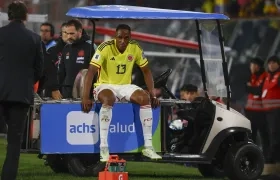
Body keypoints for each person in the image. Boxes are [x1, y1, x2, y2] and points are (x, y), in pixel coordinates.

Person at [82, 24, 161, 162]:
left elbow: (147, 71)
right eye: (120, 37)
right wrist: (85, 97)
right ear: (115, 37)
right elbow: (90, 72)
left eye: (126, 38)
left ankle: (148, 146)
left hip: (125, 85)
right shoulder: (105, 47)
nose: (123, 41)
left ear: (130, 38)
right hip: (104, 85)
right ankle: (104, 147)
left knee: (145, 98)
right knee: (109, 98)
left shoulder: (135, 48)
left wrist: (153, 95)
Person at [0, 1, 43, 180]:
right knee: (14, 141)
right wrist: (25, 82)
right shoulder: (34, 38)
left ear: (9, 15)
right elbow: (39, 69)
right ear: (26, 16)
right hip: (21, 94)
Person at [58, 19, 96, 98]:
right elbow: (61, 72)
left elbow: (96, 72)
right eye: (67, 33)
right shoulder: (66, 48)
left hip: (84, 91)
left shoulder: (91, 47)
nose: (69, 36)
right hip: (66, 91)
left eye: (72, 34)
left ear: (80, 32)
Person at [262, 55, 280, 163]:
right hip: (267, 111)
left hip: (277, 110)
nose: (271, 65)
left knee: (275, 134)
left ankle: (273, 158)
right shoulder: (268, 76)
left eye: (274, 63)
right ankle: (272, 157)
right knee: (269, 134)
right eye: (269, 63)